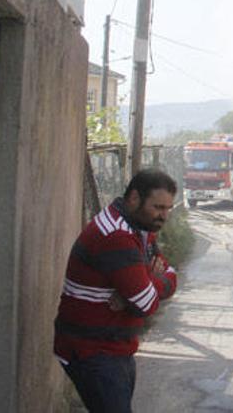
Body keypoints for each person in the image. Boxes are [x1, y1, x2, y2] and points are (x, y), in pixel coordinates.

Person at [54, 168, 179, 413]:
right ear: (134, 198)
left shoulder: (140, 228)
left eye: (168, 209)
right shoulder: (117, 235)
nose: (163, 216)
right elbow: (145, 304)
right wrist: (149, 279)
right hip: (94, 352)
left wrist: (142, 283)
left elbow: (171, 275)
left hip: (113, 349)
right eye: (157, 207)